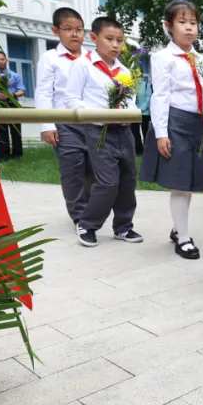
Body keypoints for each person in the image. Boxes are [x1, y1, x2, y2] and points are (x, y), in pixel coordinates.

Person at [64, 16, 143, 247]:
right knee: (108, 182)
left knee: (128, 179)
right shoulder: (83, 65)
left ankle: (123, 227)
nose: (115, 45)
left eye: (119, 40)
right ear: (94, 38)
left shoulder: (125, 70)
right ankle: (87, 224)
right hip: (99, 131)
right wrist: (96, 113)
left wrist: (130, 114)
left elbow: (131, 100)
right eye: (109, 39)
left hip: (123, 132)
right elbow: (71, 99)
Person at [141, 0, 203, 259]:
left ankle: (176, 228)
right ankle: (183, 238)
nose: (189, 28)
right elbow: (160, 96)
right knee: (180, 185)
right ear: (169, 26)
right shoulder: (162, 58)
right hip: (174, 123)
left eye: (193, 23)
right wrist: (161, 133)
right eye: (182, 22)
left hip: (196, 123)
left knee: (189, 182)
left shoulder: (201, 60)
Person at [37, 7, 89, 226]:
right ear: (55, 31)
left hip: (92, 122)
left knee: (95, 169)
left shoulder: (91, 57)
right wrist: (47, 125)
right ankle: (80, 217)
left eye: (79, 29)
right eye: (68, 29)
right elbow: (43, 92)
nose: (74, 34)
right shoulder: (50, 58)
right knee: (73, 170)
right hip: (65, 123)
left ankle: (93, 209)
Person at [0, 49, 25, 161]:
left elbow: (22, 90)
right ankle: (3, 155)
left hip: (12, 104)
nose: (0, 61)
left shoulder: (14, 75)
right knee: (1, 131)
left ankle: (17, 154)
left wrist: (12, 94)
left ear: (6, 60)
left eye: (2, 59)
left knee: (16, 130)